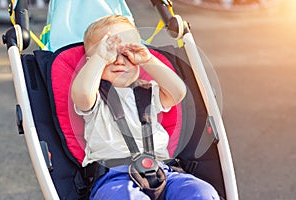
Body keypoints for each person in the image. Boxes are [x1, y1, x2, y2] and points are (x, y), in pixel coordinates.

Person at [71, 15, 220, 200]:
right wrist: (100, 58)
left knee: (200, 192)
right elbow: (82, 93)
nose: (119, 61)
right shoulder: (95, 98)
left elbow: (178, 92)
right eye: (110, 54)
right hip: (115, 177)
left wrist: (147, 59)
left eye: (126, 53)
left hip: (162, 171)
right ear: (90, 62)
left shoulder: (148, 92)